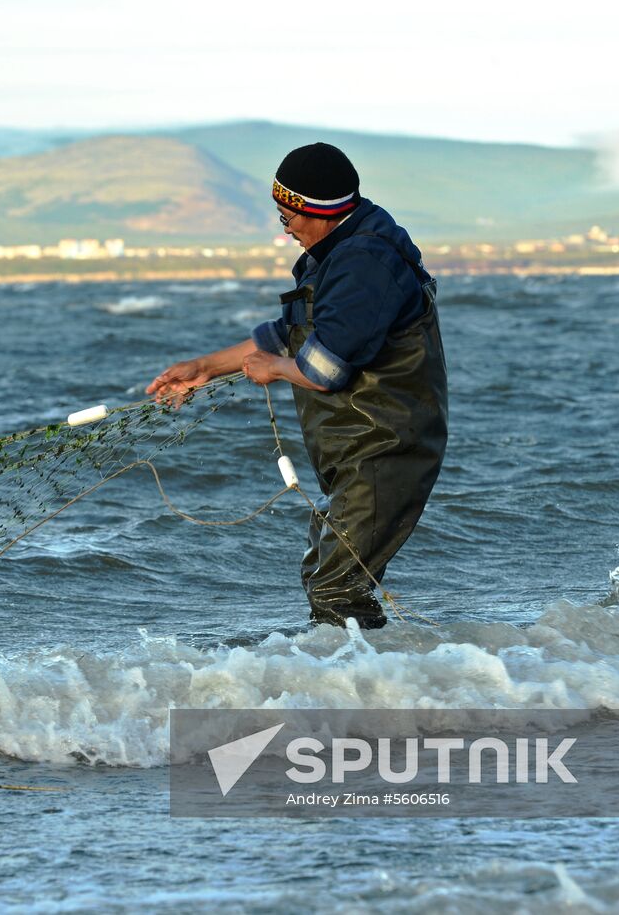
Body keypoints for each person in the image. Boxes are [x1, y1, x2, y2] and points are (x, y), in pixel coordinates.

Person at [146, 142, 448, 629]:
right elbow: (293, 333)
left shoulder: (362, 264)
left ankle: (361, 693)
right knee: (327, 575)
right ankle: (373, 680)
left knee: (334, 586)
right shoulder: (337, 247)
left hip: (385, 449)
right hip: (357, 450)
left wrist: (274, 369)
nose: (284, 229)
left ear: (321, 212)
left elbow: (324, 371)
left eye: (288, 217)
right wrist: (205, 367)